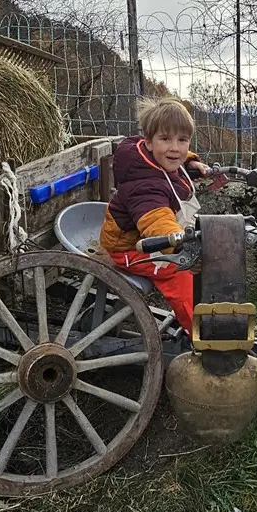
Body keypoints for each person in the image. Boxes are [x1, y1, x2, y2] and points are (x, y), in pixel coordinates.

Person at [100, 96, 211, 338]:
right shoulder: (144, 185)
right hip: (129, 249)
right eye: (166, 139)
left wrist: (189, 162)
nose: (175, 148)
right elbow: (156, 220)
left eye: (182, 140)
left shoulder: (155, 160)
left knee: (202, 266)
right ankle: (201, 335)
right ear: (149, 142)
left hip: (145, 239)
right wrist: (181, 245)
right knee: (180, 272)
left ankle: (211, 311)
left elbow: (174, 155)